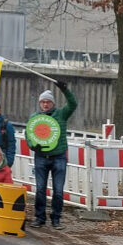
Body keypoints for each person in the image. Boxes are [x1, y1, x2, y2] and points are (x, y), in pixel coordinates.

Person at [31, 81, 77, 229]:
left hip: (59, 157)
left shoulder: (61, 114)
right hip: (41, 157)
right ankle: (39, 218)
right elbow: (29, 134)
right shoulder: (35, 117)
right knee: (40, 189)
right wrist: (33, 146)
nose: (45, 104)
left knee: (58, 190)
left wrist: (65, 90)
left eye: (48, 102)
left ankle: (56, 219)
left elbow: (73, 104)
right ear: (40, 103)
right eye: (43, 102)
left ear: (53, 103)